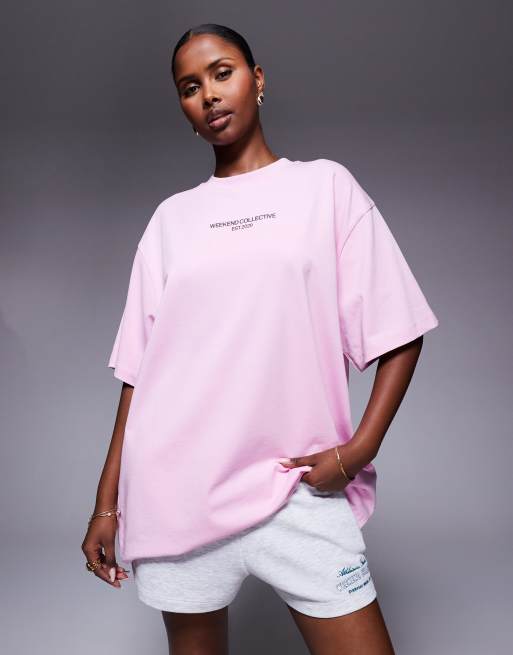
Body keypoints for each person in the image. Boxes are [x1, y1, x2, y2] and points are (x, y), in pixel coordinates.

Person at [81, 23, 439, 655]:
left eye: (222, 73)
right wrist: (106, 506)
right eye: (190, 87)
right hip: (177, 497)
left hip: (297, 491)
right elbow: (138, 375)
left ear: (258, 79)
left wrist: (356, 451)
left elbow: (400, 331)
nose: (209, 95)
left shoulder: (325, 188)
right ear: (184, 108)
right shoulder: (171, 221)